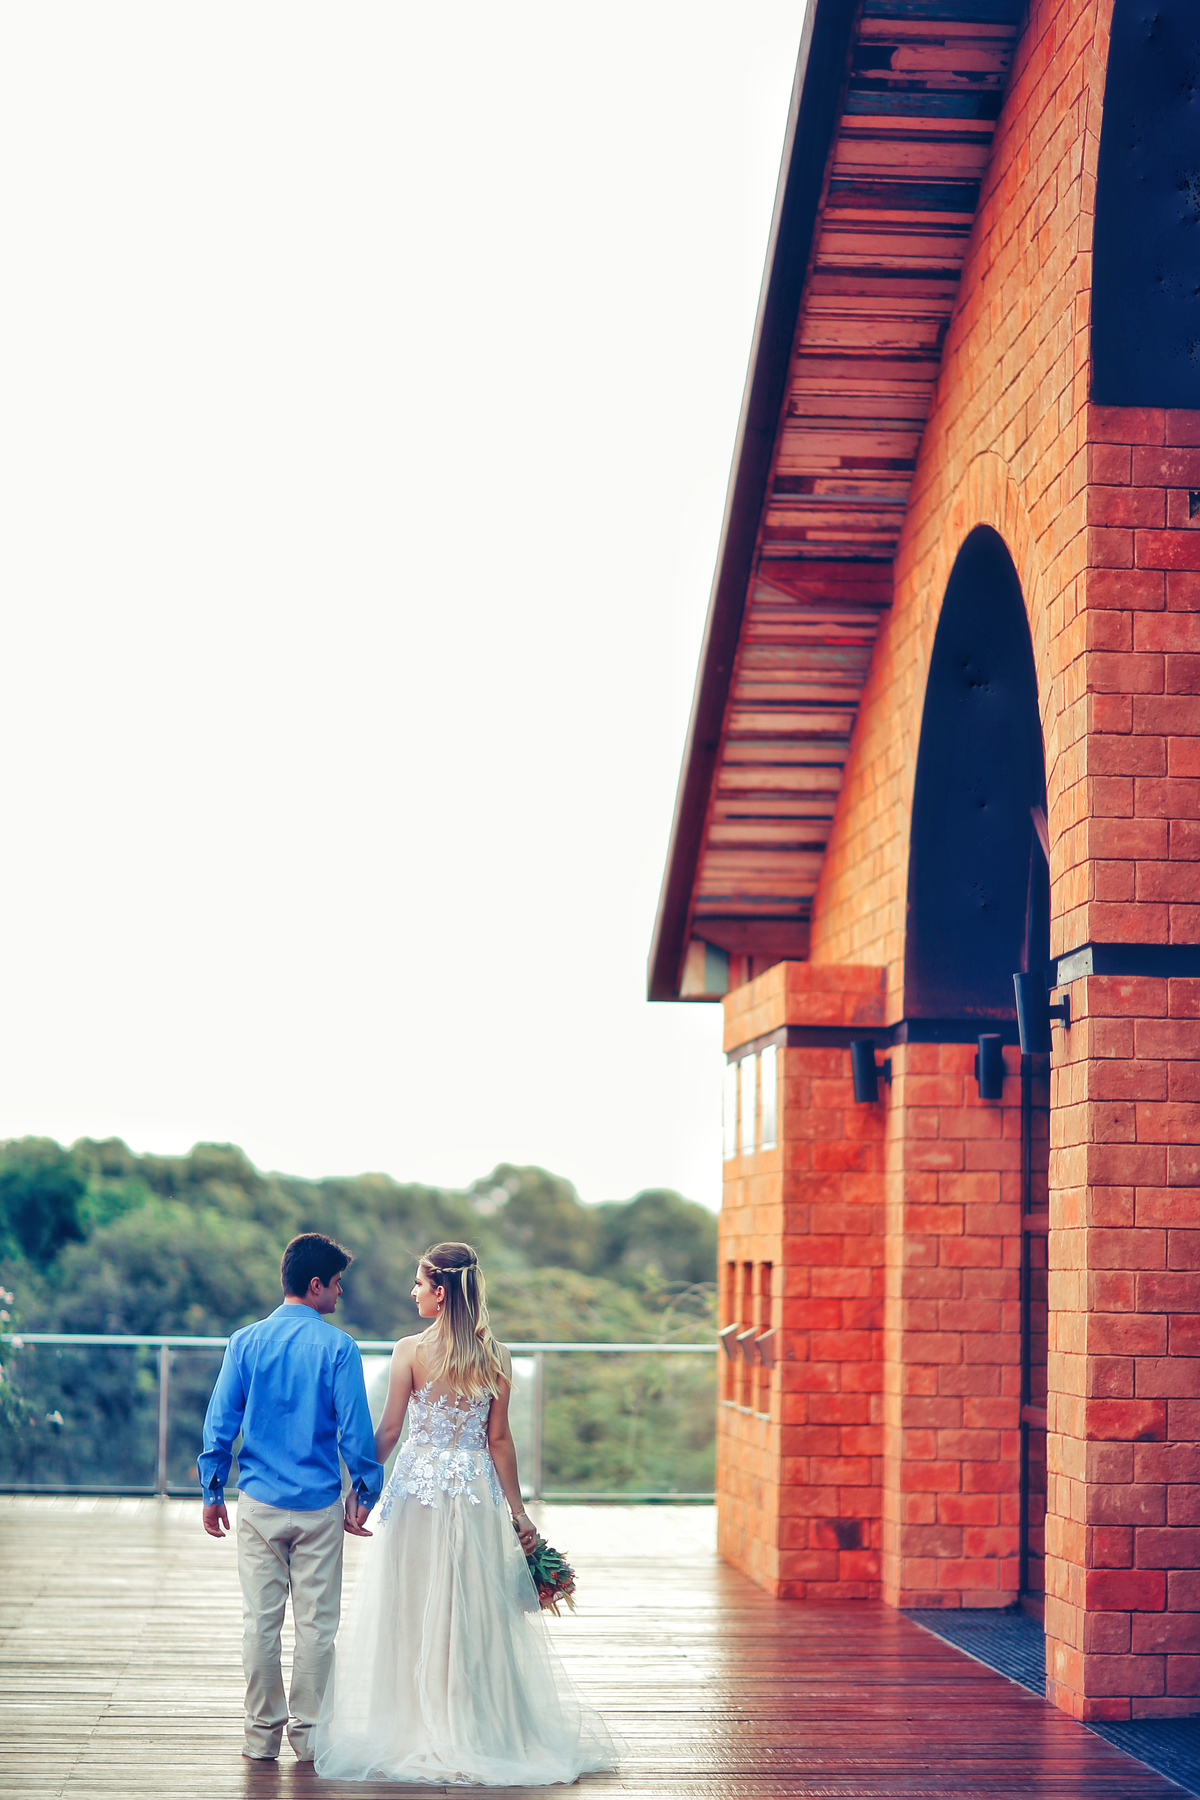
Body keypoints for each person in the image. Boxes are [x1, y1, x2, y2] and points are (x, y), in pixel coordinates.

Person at [314, 1240, 618, 1785]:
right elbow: (499, 1440)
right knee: (474, 1607)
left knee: (412, 1603)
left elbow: (389, 1431)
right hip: (475, 1491)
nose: (412, 1292)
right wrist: (519, 1513)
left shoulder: (409, 1351)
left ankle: (415, 1723)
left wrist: (360, 1488)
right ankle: (477, 1725)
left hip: (419, 1493)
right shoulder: (495, 1355)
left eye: (418, 1283)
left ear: (440, 1291)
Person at [199, 1232, 384, 1765]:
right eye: (338, 1284)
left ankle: (261, 1737)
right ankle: (311, 1739)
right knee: (317, 1627)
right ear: (316, 1284)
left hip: (258, 1503)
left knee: (260, 1622)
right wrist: (364, 1491)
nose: (340, 1293)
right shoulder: (339, 1348)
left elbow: (220, 1423)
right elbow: (355, 1432)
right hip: (318, 1507)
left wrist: (212, 1489)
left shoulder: (244, 1342)